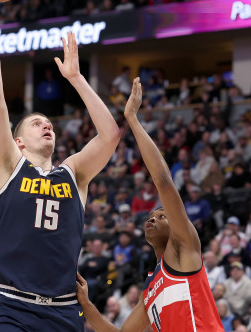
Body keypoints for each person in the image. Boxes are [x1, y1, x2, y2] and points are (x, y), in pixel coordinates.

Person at [0, 0, 120, 330]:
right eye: (37, 124)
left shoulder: (73, 174)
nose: (46, 126)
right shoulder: (8, 165)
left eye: (50, 124)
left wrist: (78, 78)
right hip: (11, 304)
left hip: (64, 309)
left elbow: (110, 135)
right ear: (18, 141)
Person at [76, 75, 222, 331]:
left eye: (162, 215)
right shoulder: (151, 287)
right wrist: (87, 305)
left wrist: (131, 118)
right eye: (151, 216)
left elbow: (163, 180)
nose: (152, 219)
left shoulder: (186, 247)